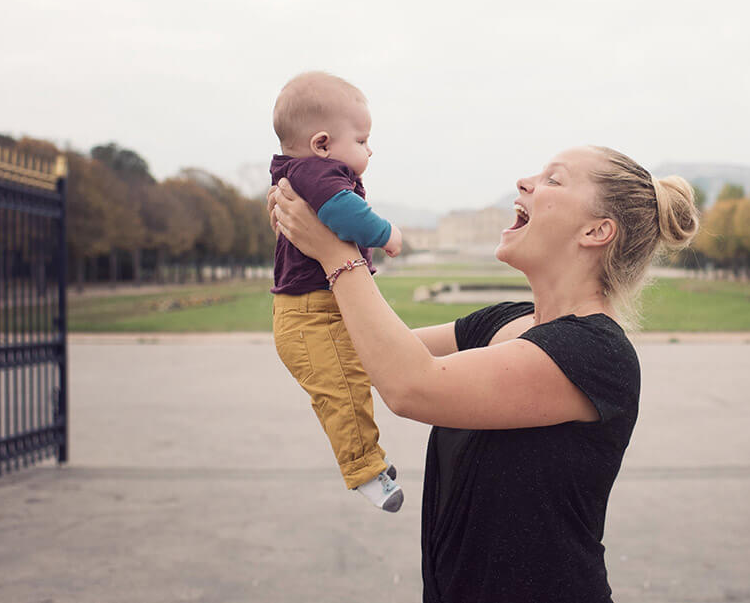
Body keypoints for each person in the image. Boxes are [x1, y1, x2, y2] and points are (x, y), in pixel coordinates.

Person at [269, 145, 700, 602]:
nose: (524, 182)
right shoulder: (503, 321)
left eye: (554, 180)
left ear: (597, 230)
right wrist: (305, 252)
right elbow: (364, 353)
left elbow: (411, 386)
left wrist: (337, 255)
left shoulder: (597, 354)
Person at [270, 71, 405, 512]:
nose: (370, 149)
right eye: (363, 140)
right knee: (343, 392)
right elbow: (345, 213)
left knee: (351, 384)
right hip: (311, 315)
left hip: (316, 310)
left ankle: (368, 459)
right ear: (323, 143)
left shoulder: (302, 172)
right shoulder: (318, 172)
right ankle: (365, 470)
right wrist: (386, 234)